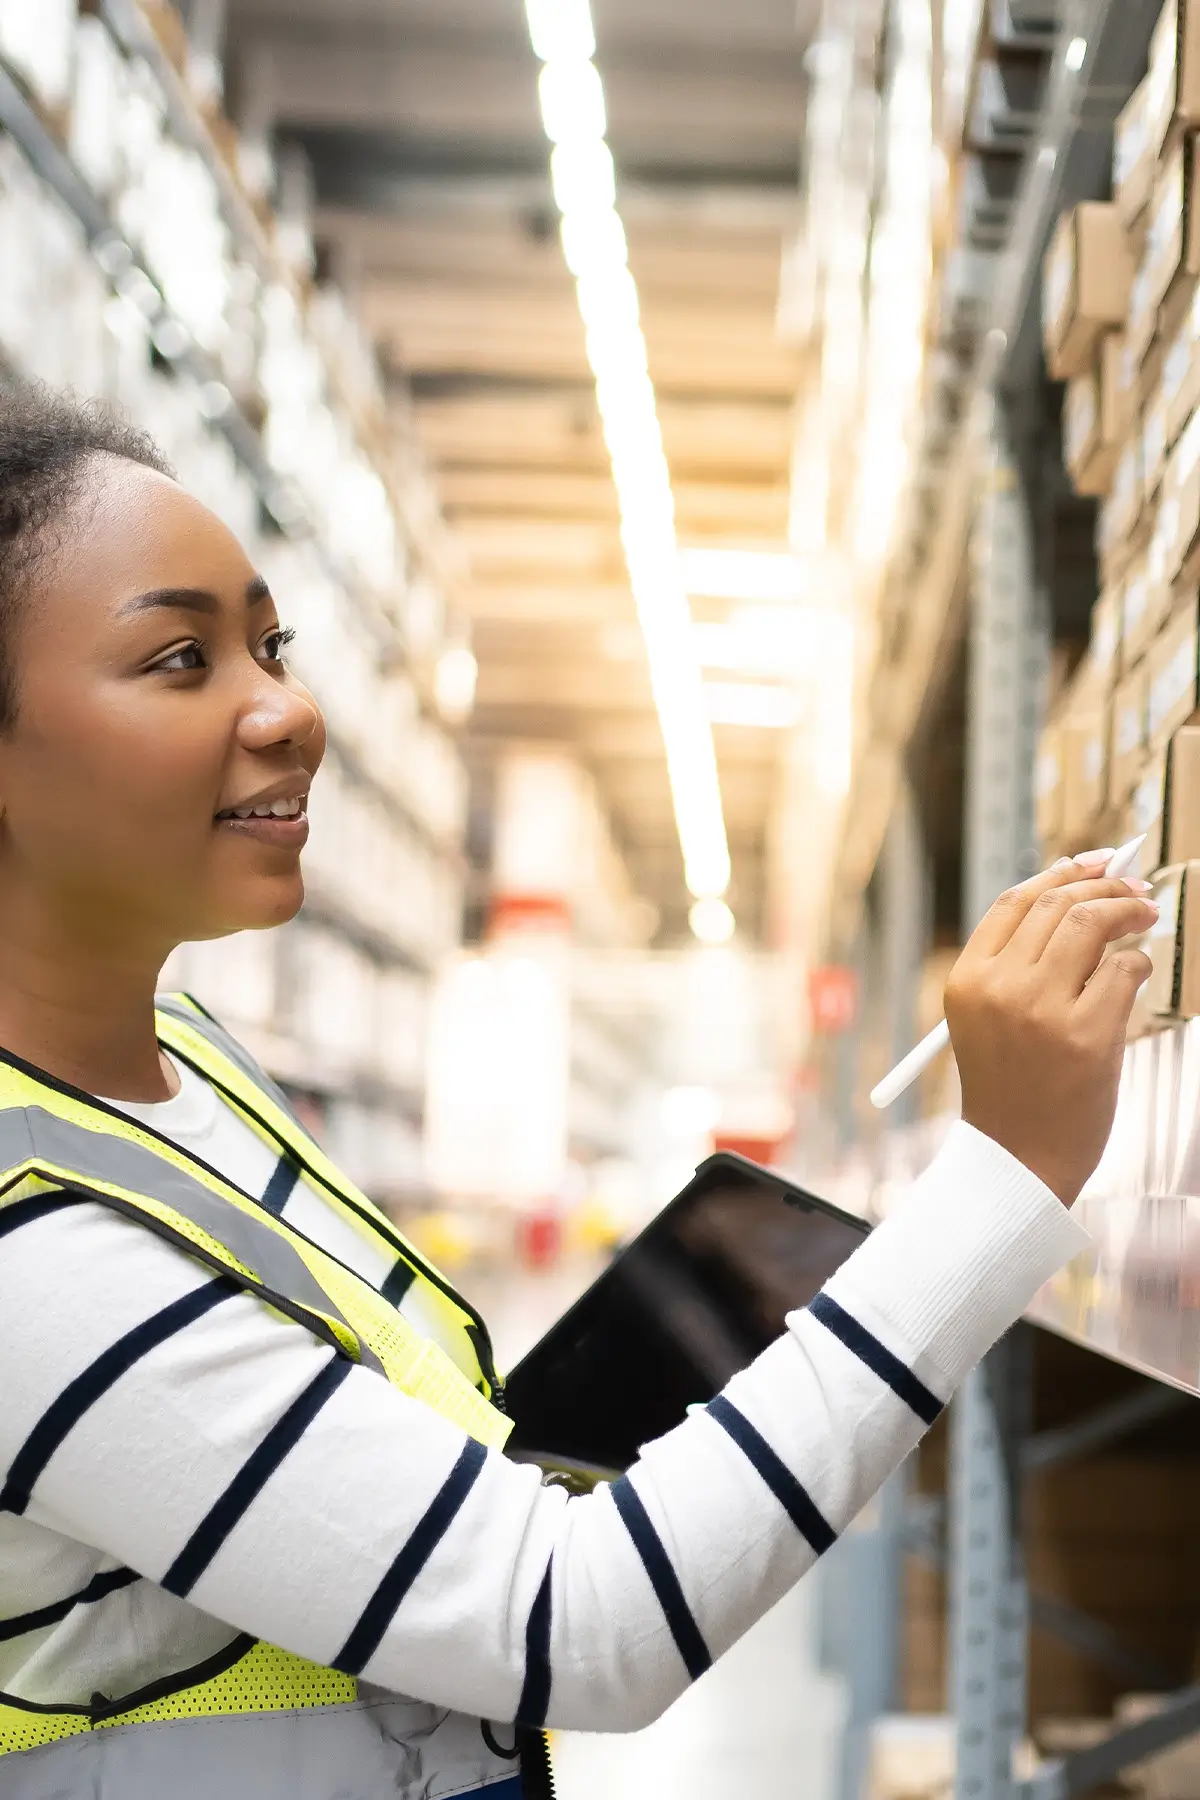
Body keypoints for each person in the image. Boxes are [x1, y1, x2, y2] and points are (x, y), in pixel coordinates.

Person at [0, 387, 1156, 1800]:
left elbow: (417, 1445)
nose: (289, 710)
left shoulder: (186, 1070)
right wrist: (1006, 1178)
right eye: (181, 658)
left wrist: (688, 1332)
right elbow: (568, 1622)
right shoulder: (25, 1250)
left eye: (273, 643)